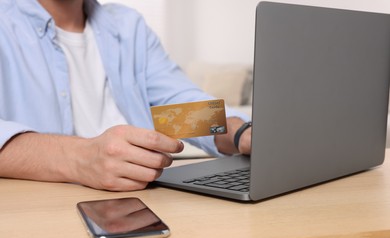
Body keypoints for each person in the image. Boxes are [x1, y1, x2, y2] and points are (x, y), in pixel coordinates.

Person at [0, 0, 252, 191]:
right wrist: (79, 158)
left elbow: (176, 111)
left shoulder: (128, 27)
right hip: (47, 208)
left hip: (145, 197)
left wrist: (239, 132)